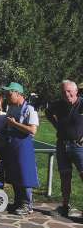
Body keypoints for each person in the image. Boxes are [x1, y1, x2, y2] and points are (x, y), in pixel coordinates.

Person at [46, 80, 83, 217]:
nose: (66, 94)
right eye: (63, 92)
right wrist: (57, 126)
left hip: (79, 146)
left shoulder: (81, 104)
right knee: (65, 176)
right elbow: (48, 112)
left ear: (76, 91)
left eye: (69, 91)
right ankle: (65, 206)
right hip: (62, 145)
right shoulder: (58, 105)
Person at [2, 82, 39, 215]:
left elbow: (32, 130)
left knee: (25, 174)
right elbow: (8, 126)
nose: (7, 96)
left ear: (18, 94)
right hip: (12, 145)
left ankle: (27, 204)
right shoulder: (11, 108)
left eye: (9, 94)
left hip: (24, 146)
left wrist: (14, 124)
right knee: (14, 174)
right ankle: (18, 202)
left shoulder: (29, 109)